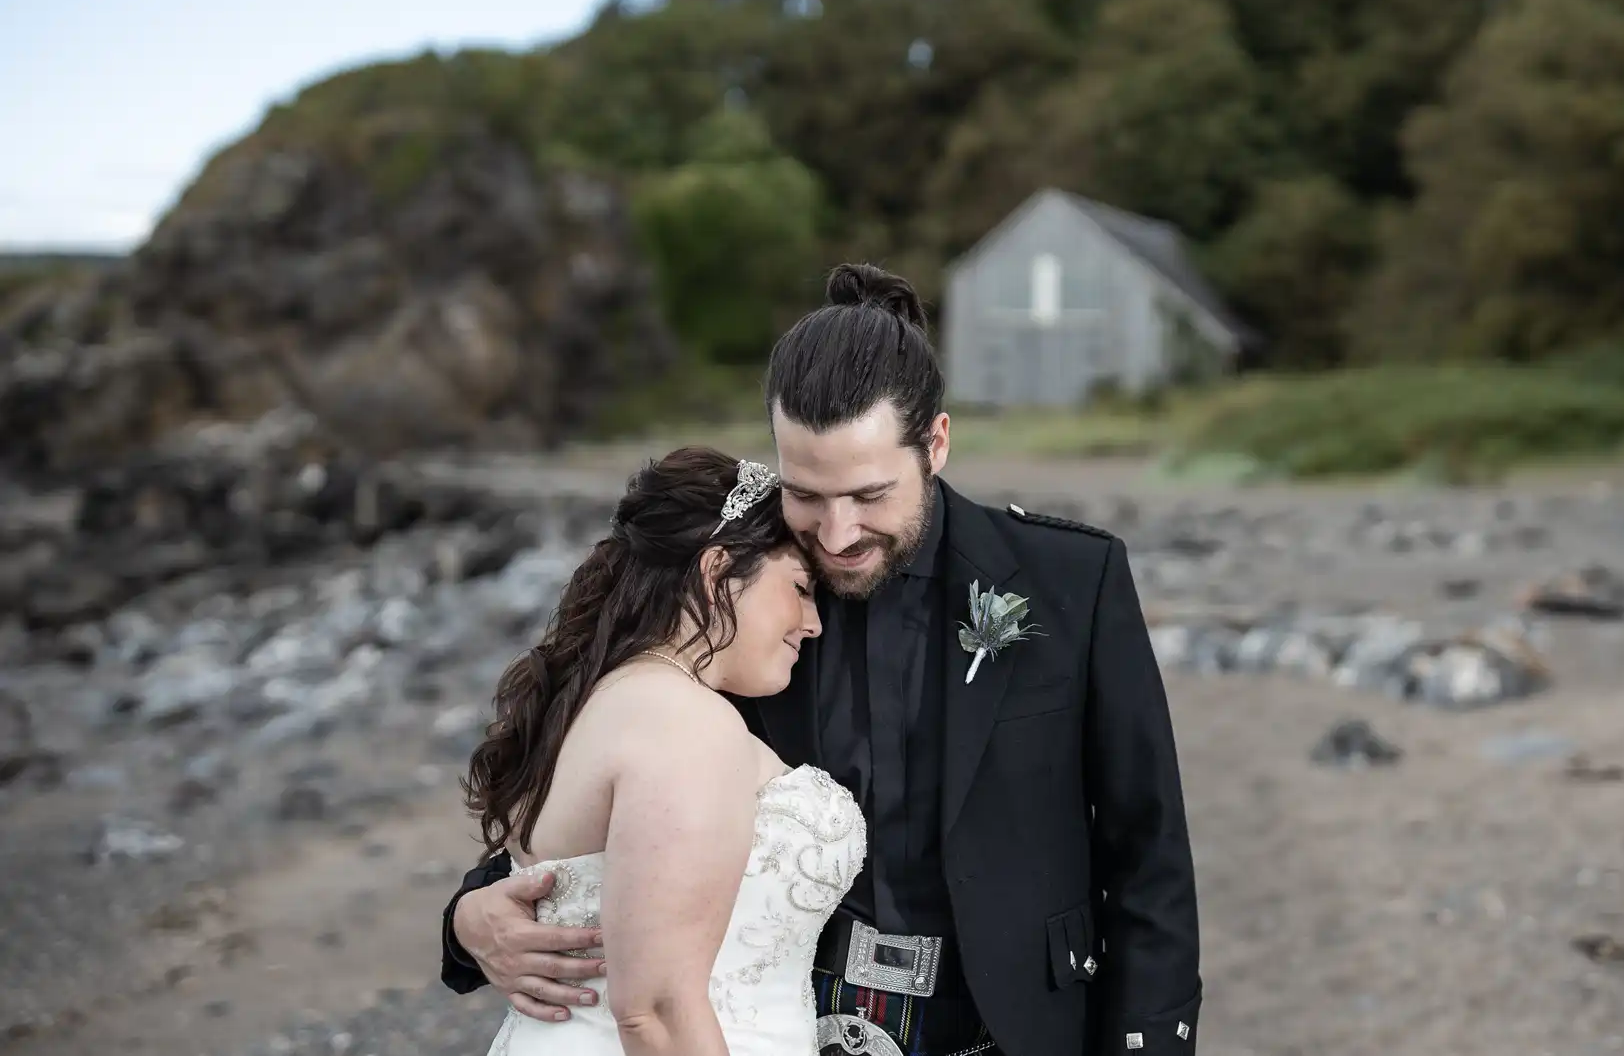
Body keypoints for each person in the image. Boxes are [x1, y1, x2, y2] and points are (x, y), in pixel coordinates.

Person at [443, 264, 1202, 1056]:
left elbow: (1148, 856)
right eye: (806, 494)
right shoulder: (742, 601)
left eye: (870, 495)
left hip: (1012, 1030)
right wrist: (472, 914)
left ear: (936, 443)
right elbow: (617, 787)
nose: (836, 534)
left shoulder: (1071, 581)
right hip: (789, 1027)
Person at [459, 446, 864, 1056]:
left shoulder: (602, 700)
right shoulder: (685, 722)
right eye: (800, 588)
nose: (814, 623)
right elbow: (657, 1010)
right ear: (715, 572)